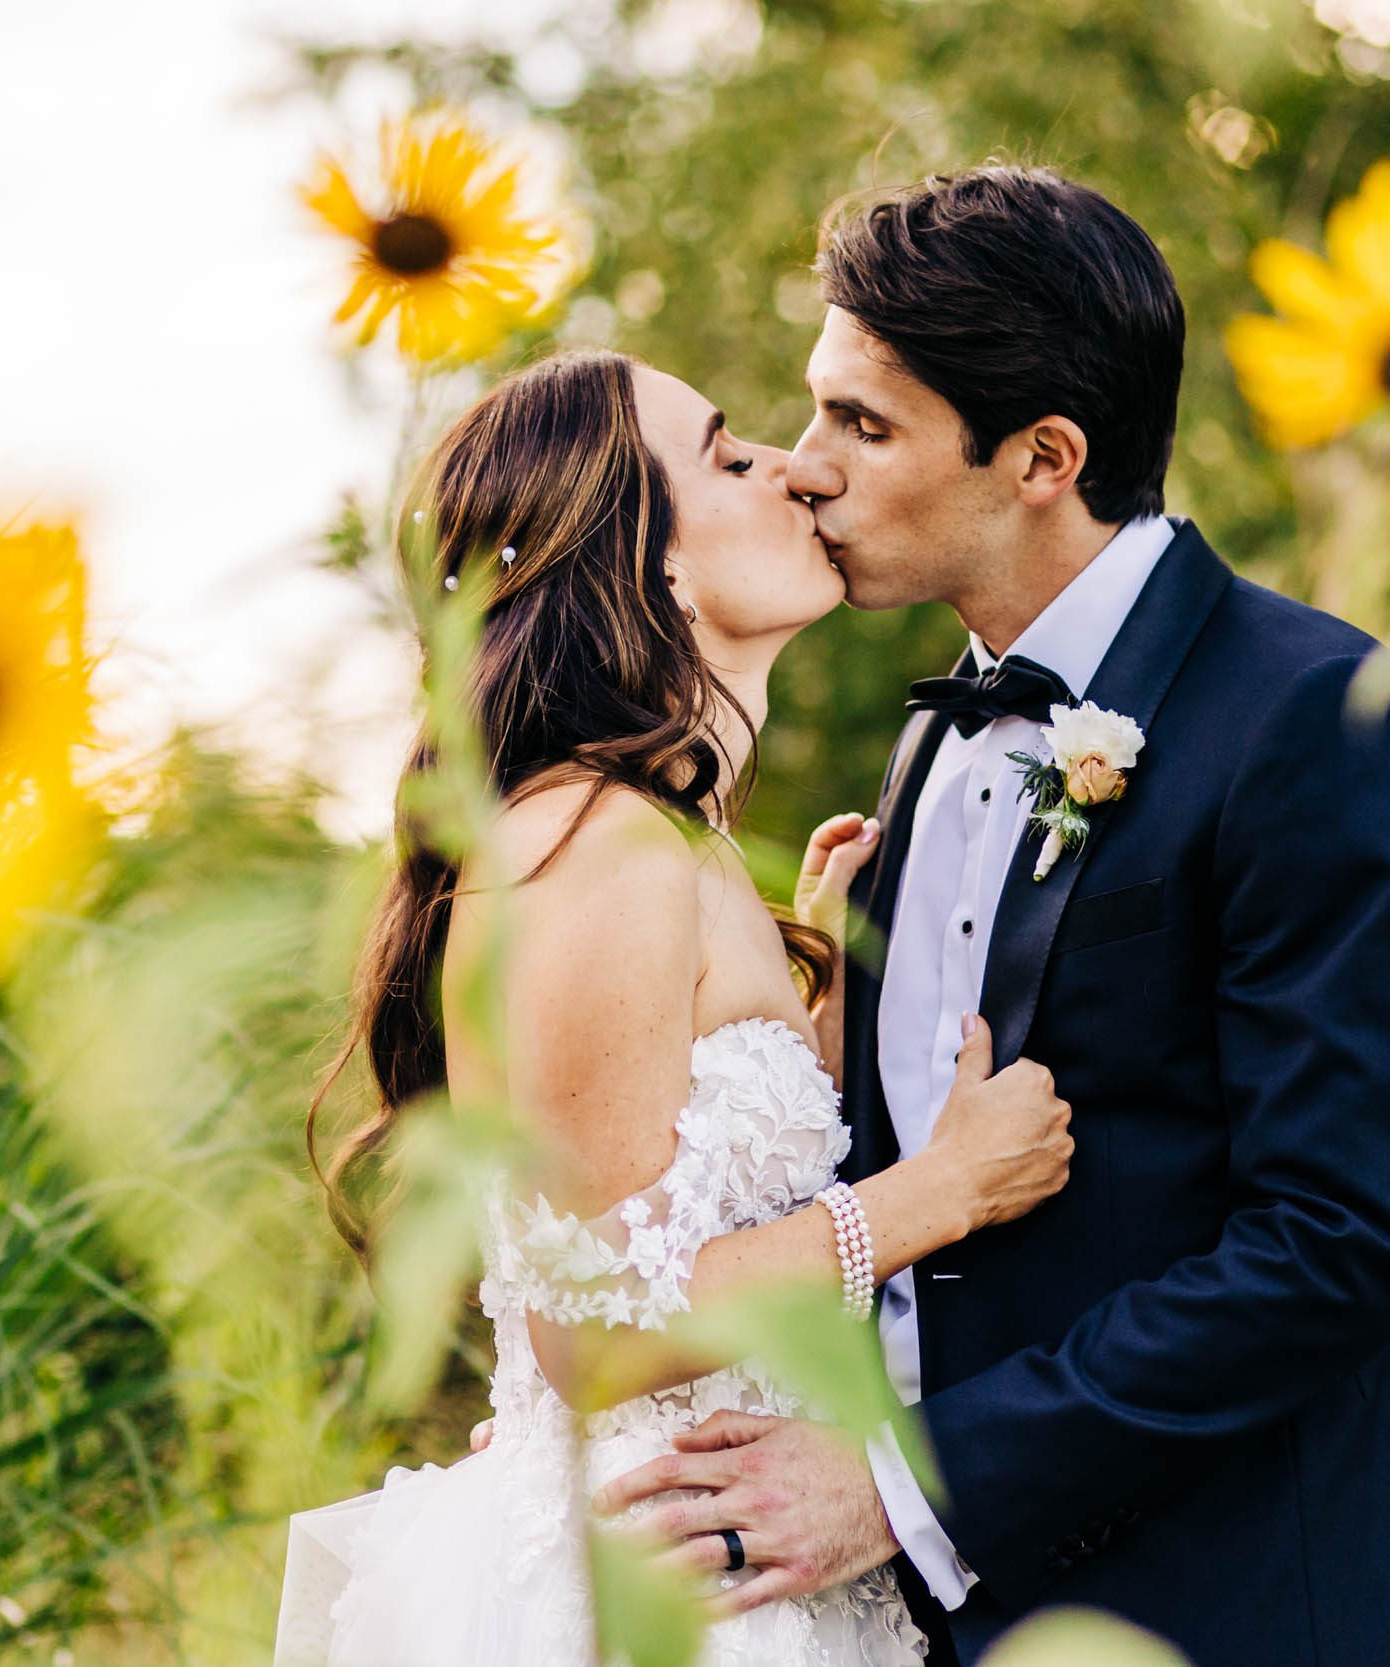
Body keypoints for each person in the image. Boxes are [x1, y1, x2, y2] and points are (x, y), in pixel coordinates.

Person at [591, 165, 1390, 1667]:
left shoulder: (1321, 722)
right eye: (814, 414)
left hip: (1240, 1605)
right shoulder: (936, 739)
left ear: (1043, 457)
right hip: (944, 1624)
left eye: (861, 427)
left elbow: (1336, 1245)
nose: (805, 467)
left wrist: (904, 1484)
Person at [272, 347, 1075, 1667]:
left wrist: (811, 1010)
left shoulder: (661, 843)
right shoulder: (595, 839)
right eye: (728, 455)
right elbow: (592, 1328)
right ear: (644, 561)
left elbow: (664, 1197)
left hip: (745, 1553)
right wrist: (949, 1189)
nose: (799, 468)